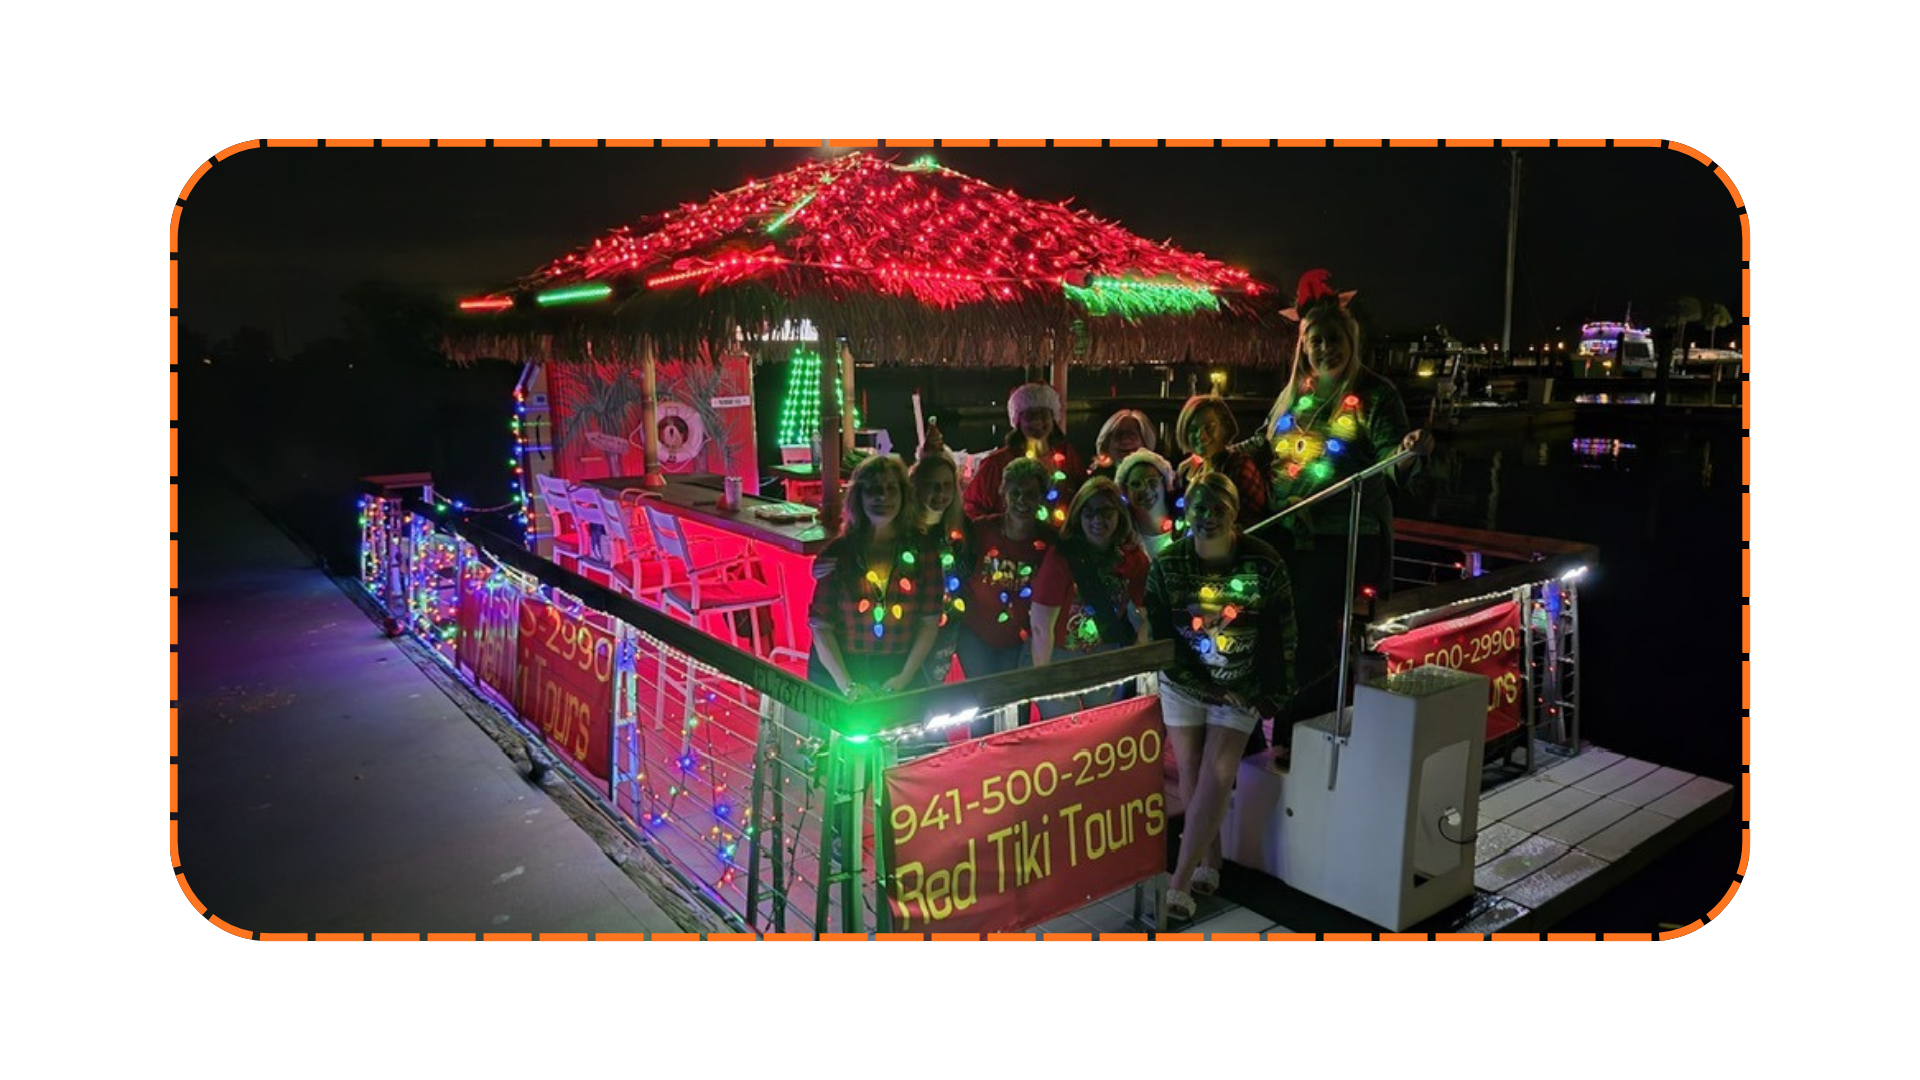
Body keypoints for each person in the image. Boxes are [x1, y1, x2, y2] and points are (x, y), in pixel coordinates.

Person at [1233, 268, 1432, 732]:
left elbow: (1392, 460)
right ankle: (1276, 724)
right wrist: (1214, 454)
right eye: (1316, 340)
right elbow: (1261, 444)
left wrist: (1409, 451)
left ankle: (1305, 734)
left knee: (1317, 639)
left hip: (1342, 539)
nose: (1325, 348)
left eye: (1333, 338)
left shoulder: (1376, 394)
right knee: (1275, 629)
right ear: (1302, 344)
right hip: (1283, 533)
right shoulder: (1294, 396)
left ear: (1350, 339)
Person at [1143, 471, 1297, 925]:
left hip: (1241, 686)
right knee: (1192, 773)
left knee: (1219, 769)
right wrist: (1204, 685)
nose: (1207, 517)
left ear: (1234, 512)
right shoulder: (1167, 565)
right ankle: (1212, 859)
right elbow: (1160, 637)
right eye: (1199, 508)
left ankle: (1179, 883)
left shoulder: (1265, 564)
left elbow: (1285, 632)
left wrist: (1273, 692)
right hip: (1184, 681)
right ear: (1186, 512)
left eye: (1218, 508)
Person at [806, 455, 946, 702]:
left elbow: (928, 622)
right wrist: (848, 686)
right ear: (858, 497)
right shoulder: (840, 552)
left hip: (900, 669)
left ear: (904, 495)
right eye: (873, 489)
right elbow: (820, 627)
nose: (883, 497)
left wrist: (903, 679)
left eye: (891, 488)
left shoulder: (923, 550)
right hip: (840, 671)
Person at [1029, 477, 1151, 719]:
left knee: (1101, 724)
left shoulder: (1133, 558)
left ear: (1119, 514)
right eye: (1089, 511)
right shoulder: (1062, 557)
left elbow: (1148, 612)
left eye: (1106, 511)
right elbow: (1041, 626)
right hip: (1058, 653)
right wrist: (1045, 679)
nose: (1098, 519)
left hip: (1104, 651)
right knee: (1065, 727)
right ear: (1077, 515)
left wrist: (1138, 657)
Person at [953, 455, 1057, 734]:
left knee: (1015, 703)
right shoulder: (981, 530)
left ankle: (1014, 767)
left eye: (1031, 494)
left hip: (1021, 638)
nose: (1022, 501)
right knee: (983, 703)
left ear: (1042, 498)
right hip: (976, 633)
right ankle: (981, 763)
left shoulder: (1050, 542)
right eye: (1016, 493)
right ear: (1003, 492)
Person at [962, 381, 1086, 525]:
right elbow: (971, 507)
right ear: (1018, 421)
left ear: (1053, 418)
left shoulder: (1067, 456)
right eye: (1030, 415)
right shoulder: (997, 463)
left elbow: (1084, 494)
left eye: (1043, 414)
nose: (1037, 422)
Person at [908, 446, 975, 688]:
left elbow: (969, 566)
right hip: (907, 624)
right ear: (917, 486)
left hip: (947, 623)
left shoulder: (960, 526)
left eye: (947, 486)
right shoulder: (903, 526)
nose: (940, 493)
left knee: (933, 683)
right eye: (932, 485)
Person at [1171, 394, 1271, 532]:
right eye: (1193, 429)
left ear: (1225, 427)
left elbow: (1254, 525)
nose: (1201, 436)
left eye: (1209, 428)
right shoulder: (1188, 472)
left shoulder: (1240, 466)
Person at [1115, 448, 1180, 560]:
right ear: (1125, 491)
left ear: (1165, 484)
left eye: (1152, 482)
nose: (1145, 490)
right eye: (1136, 484)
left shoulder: (1185, 527)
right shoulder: (1120, 537)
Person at [1088, 408, 1157, 482]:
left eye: (1132, 435)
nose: (1125, 441)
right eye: (1118, 434)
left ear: (1145, 441)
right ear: (1106, 444)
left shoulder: (1158, 475)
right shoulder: (1095, 480)